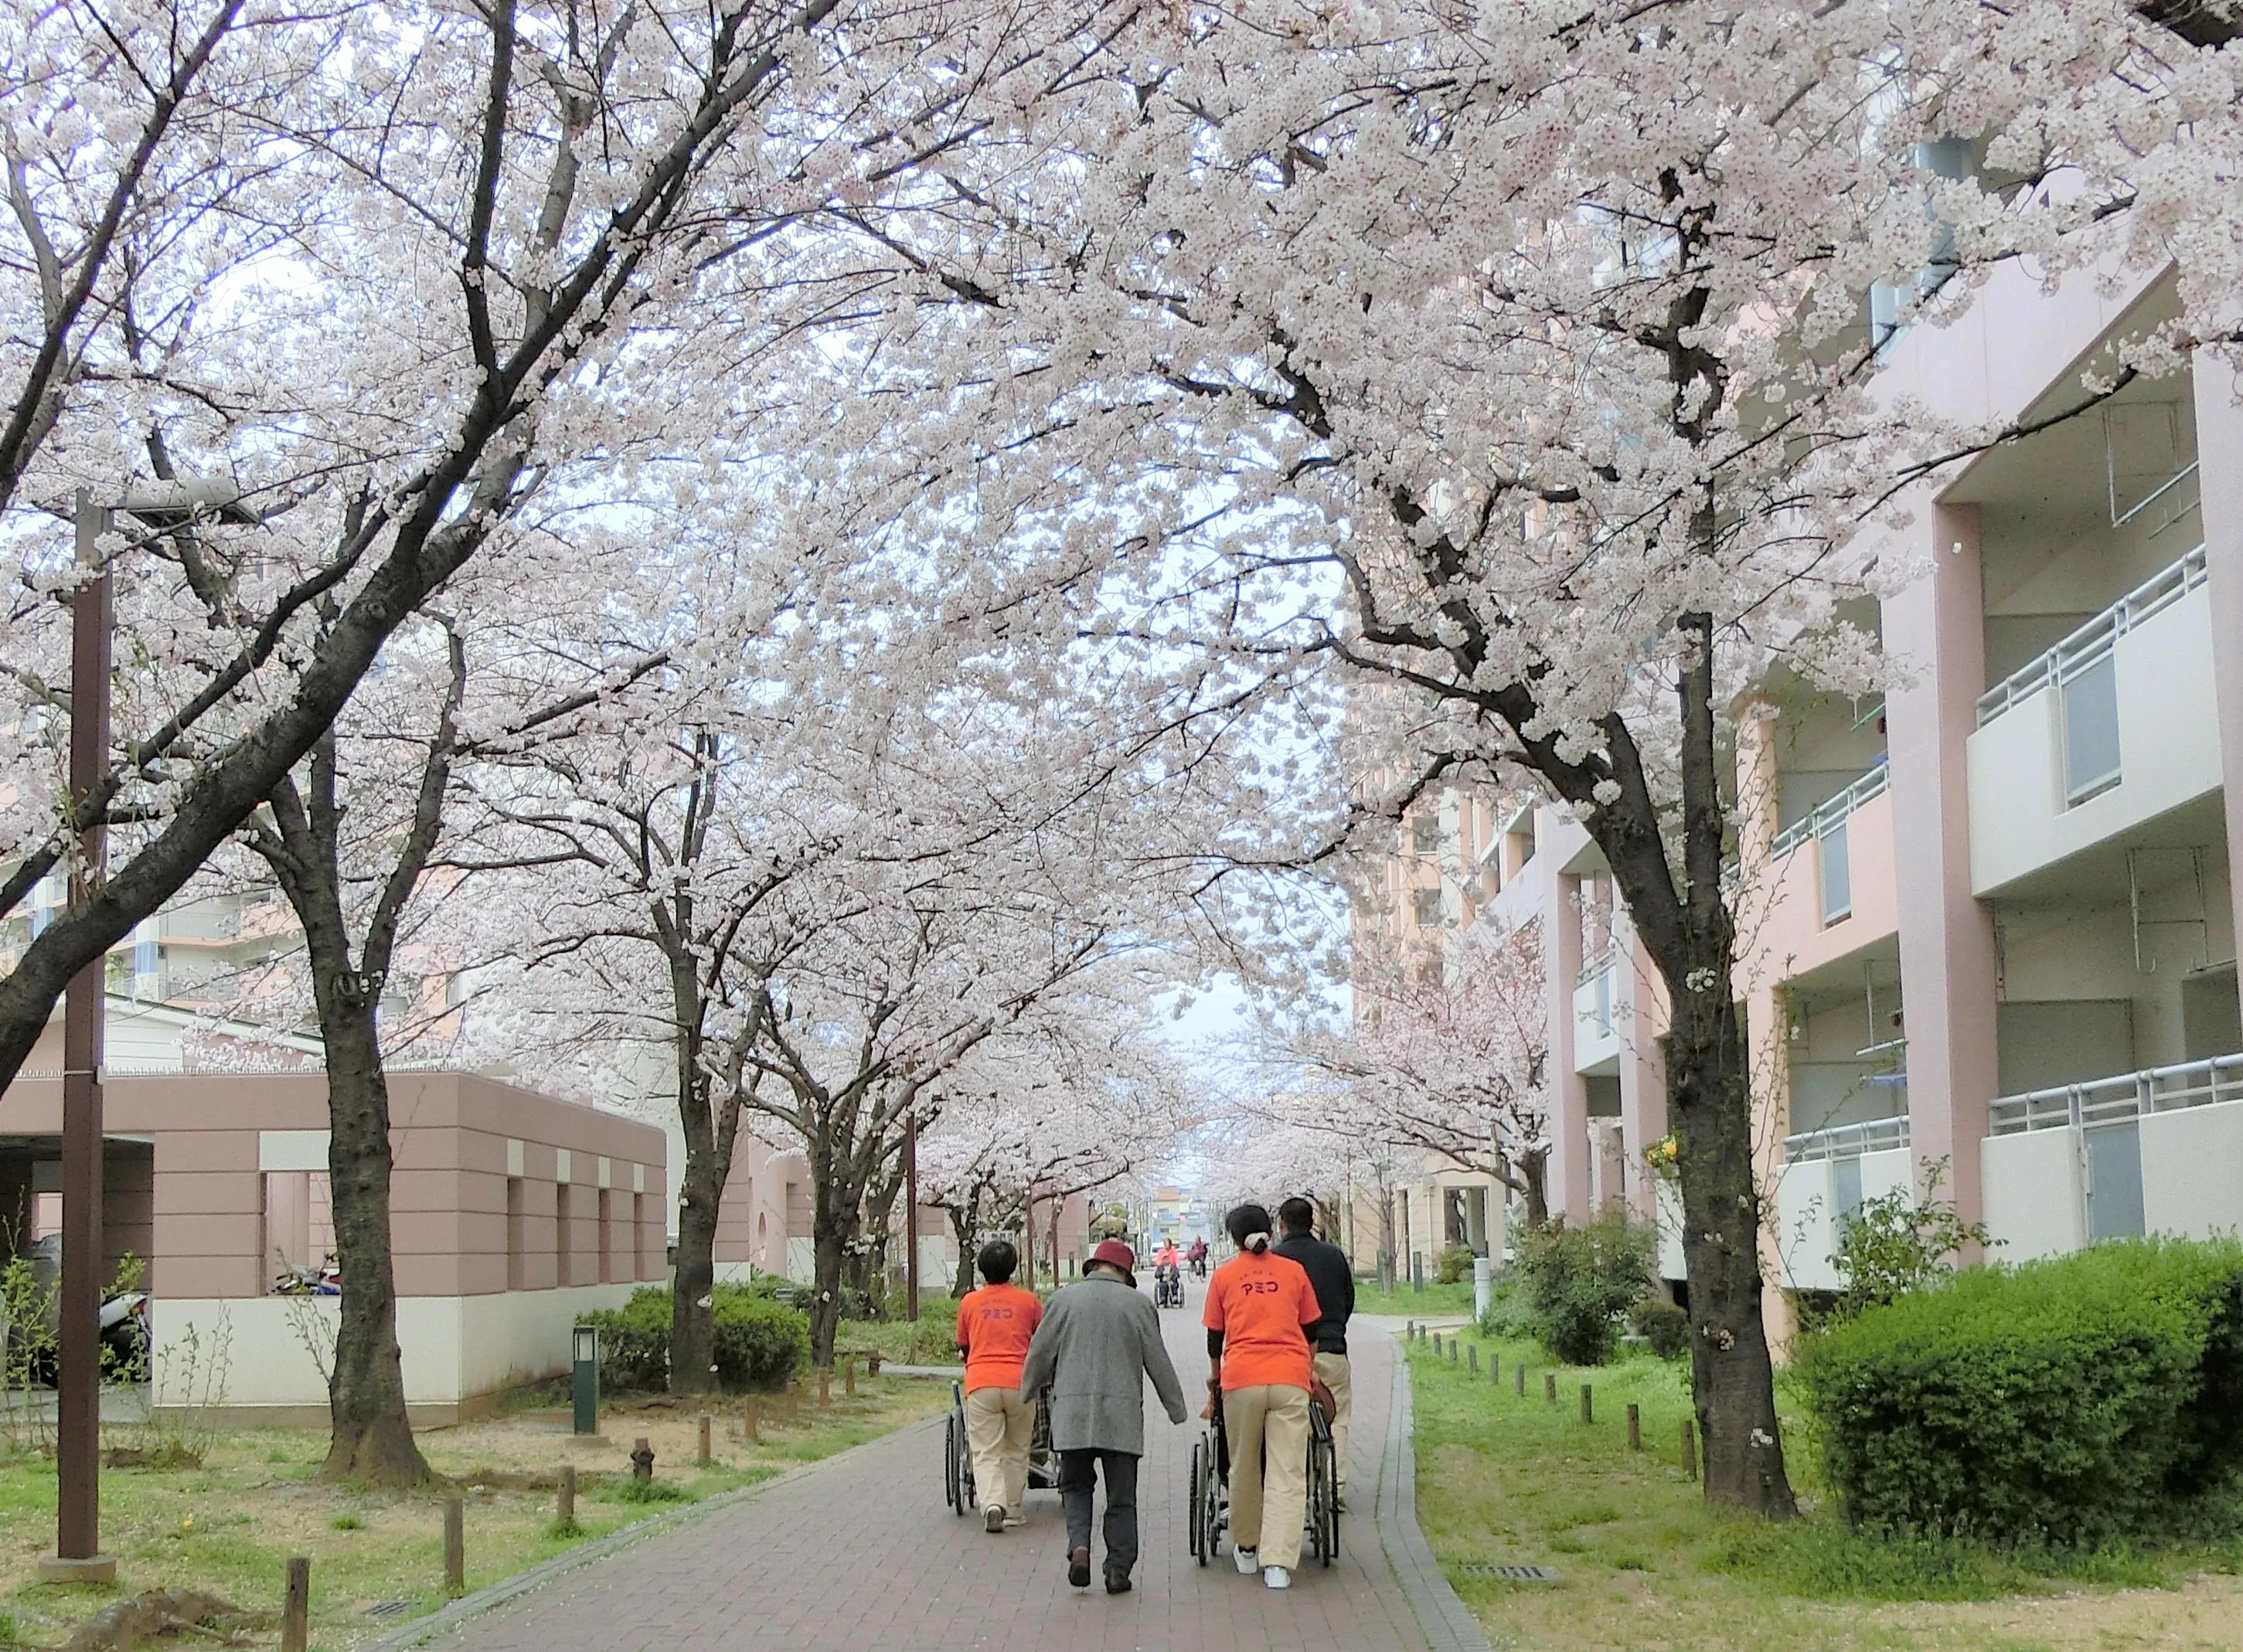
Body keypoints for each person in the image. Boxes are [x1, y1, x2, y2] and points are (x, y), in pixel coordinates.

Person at [1019, 1238, 1188, 1595]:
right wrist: (1176, 1408)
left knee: (1076, 1487)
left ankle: (1080, 1546)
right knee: (1121, 1497)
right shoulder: (1139, 1305)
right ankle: (1118, 1570)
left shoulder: (1063, 1300)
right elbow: (1157, 1359)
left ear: (1093, 1267)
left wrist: (1028, 1391)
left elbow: (1040, 1352)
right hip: (1121, 1416)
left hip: (1072, 1413)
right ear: (1126, 1273)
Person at [1203, 1202, 1322, 1590]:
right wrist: (1306, 1367)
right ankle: (1279, 1564)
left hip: (1242, 1379)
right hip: (1290, 1378)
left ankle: (1248, 1546)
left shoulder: (1224, 1276)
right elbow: (1311, 1329)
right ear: (1272, 1230)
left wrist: (1215, 1382)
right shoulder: (1294, 1272)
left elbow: (1215, 1338)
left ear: (1233, 1237)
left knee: (1243, 1466)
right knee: (1287, 1470)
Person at [1271, 1195, 1356, 1508]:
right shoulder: (1334, 1257)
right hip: (1332, 1349)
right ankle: (1334, 1488)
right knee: (1339, 1417)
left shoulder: (1275, 1261)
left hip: (1290, 1356)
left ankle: (1300, 1487)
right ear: (1313, 1223)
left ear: (1281, 1225)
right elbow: (1348, 1299)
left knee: (1294, 1422)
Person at [955, 1239, 1043, 1534]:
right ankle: (1014, 1511)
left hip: (981, 1382)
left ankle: (992, 1504)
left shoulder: (969, 1302)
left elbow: (964, 1344)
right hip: (1021, 1382)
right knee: (1018, 1449)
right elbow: (1040, 1341)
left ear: (981, 1269)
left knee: (985, 1451)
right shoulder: (1029, 1301)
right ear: (1013, 1268)